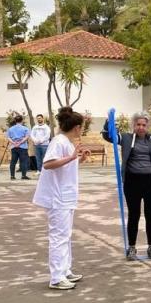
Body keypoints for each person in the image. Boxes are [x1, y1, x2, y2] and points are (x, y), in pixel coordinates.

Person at [102, 112, 151, 260]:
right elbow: (109, 136)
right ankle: (131, 248)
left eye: (144, 125)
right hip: (132, 182)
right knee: (134, 214)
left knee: (150, 215)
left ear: (147, 126)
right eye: (138, 124)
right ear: (133, 125)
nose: (141, 127)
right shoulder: (126, 138)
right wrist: (108, 122)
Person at [32, 107, 89, 290]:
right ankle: (56, 277)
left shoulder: (67, 142)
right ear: (77, 127)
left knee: (65, 236)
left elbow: (65, 166)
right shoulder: (58, 141)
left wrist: (78, 159)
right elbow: (48, 164)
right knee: (58, 236)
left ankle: (65, 270)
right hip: (58, 198)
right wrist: (72, 157)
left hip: (67, 197)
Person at [6, 114, 31, 180]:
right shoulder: (25, 128)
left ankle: (12, 176)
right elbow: (26, 137)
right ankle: (23, 176)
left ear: (15, 120)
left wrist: (14, 143)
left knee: (13, 161)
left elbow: (8, 137)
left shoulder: (11, 129)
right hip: (23, 147)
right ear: (22, 120)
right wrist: (20, 143)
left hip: (14, 147)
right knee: (23, 161)